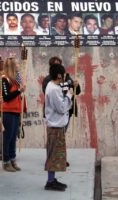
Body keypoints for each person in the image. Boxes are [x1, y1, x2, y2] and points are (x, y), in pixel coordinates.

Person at [44, 63, 72, 191]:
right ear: (59, 75)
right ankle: (50, 182)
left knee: (55, 155)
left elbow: (63, 90)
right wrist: (69, 96)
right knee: (53, 155)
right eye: (63, 75)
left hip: (56, 125)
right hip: (55, 126)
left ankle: (52, 179)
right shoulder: (53, 89)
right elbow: (61, 108)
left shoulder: (52, 85)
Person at [0, 57, 25, 172]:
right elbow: (6, 97)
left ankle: (13, 159)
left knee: (13, 138)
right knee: (7, 138)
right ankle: (6, 161)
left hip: (15, 111)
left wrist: (20, 90)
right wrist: (19, 91)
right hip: (7, 111)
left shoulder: (15, 79)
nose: (19, 65)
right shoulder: (4, 79)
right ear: (12, 65)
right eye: (17, 63)